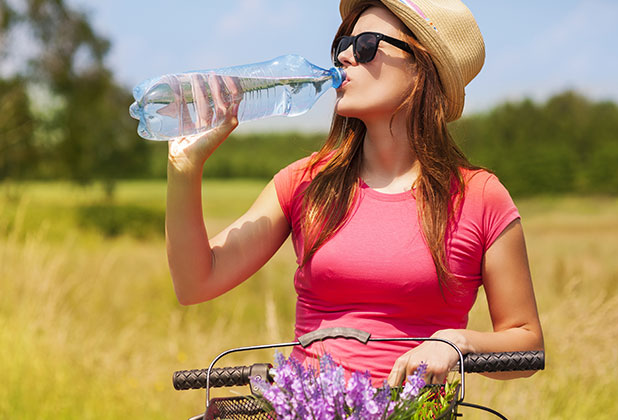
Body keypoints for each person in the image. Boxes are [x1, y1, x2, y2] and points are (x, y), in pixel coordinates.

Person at [165, 0, 544, 387]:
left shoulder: (479, 197)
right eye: (342, 44)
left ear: (420, 69)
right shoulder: (306, 181)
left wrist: (454, 343)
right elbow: (196, 282)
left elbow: (527, 343)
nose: (345, 56)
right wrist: (185, 167)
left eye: (365, 45)